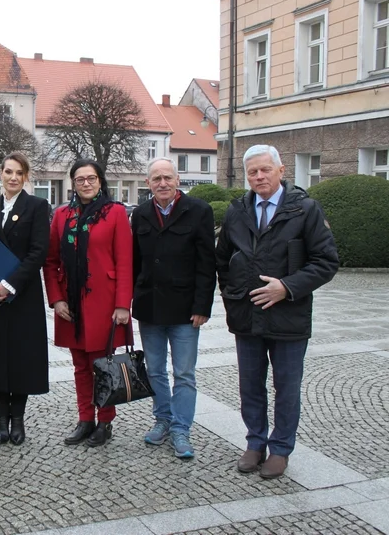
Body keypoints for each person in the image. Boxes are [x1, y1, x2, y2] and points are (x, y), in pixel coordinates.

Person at [216, 144, 338, 479]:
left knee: (286, 387)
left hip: (289, 316)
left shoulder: (305, 210)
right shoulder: (237, 211)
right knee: (250, 385)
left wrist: (287, 287)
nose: (258, 177)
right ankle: (255, 443)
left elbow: (326, 262)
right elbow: (222, 259)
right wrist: (231, 294)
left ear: (281, 171)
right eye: (252, 171)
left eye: (265, 170)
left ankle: (280, 448)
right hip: (247, 315)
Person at [43, 158, 133, 448]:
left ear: (100, 181)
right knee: (81, 366)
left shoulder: (115, 213)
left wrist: (122, 305)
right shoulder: (62, 216)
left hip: (105, 303)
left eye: (91, 178)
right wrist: (56, 299)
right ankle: (85, 419)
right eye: (80, 179)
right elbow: (51, 261)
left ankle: (105, 421)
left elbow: (125, 261)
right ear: (73, 183)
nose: (86, 183)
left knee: (103, 364)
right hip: (71, 304)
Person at [131, 157, 216, 460]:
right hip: (150, 307)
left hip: (185, 310)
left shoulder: (199, 211)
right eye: (157, 179)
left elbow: (208, 263)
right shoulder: (140, 214)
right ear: (148, 183)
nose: (163, 183)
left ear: (178, 180)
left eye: (168, 177)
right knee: (154, 370)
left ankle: (181, 428)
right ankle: (162, 419)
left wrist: (202, 305)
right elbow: (135, 262)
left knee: (184, 373)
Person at [0, 152, 50, 446]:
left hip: (22, 295)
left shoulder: (37, 206)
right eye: (8, 172)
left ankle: (18, 420)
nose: (13, 177)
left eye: (19, 173)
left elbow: (38, 252)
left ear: (25, 176)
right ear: (0, 174)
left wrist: (9, 284)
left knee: (21, 358)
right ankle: (1, 419)